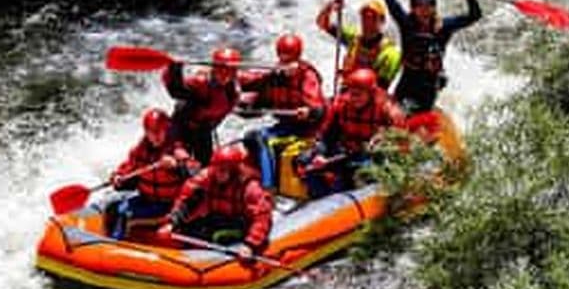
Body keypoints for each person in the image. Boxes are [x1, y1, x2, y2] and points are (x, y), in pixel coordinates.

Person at [384, 0, 482, 112]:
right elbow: (390, 0)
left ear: (434, 7)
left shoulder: (443, 26)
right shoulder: (406, 23)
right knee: (395, 114)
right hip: (408, 79)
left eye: (429, 5)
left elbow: (474, 16)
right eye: (419, 6)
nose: (424, 10)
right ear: (413, 8)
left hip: (429, 83)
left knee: (418, 114)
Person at [298, 67, 407, 197]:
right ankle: (320, 198)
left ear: (371, 93)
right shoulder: (342, 106)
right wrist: (320, 154)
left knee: (358, 172)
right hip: (347, 154)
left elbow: (400, 142)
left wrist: (384, 145)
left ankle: (343, 196)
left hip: (375, 158)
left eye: (359, 94)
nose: (354, 98)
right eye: (352, 93)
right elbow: (328, 136)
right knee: (307, 164)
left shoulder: (387, 110)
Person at [238, 32, 326, 189]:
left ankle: (268, 187)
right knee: (250, 138)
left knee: (261, 138)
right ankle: (257, 177)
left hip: (308, 130)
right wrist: (232, 76)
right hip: (286, 126)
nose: (285, 62)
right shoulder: (275, 75)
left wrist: (308, 111)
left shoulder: (307, 75)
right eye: (282, 57)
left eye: (289, 59)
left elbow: (318, 109)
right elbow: (251, 82)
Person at [159, 143, 273, 261]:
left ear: (233, 170)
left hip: (239, 224)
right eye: (217, 169)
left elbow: (262, 217)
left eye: (223, 170)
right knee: (186, 230)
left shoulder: (250, 188)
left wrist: (250, 245)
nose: (219, 173)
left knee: (214, 236)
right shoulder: (207, 176)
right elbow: (187, 200)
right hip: (215, 218)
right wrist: (172, 222)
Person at [104, 108, 199, 239]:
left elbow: (196, 172)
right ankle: (107, 241)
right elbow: (126, 172)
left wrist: (176, 166)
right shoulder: (138, 151)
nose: (155, 136)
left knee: (125, 214)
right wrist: (118, 178)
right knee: (112, 207)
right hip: (146, 199)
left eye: (159, 131)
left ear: (166, 130)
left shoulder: (176, 150)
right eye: (151, 132)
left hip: (168, 205)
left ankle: (117, 242)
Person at [163, 46, 241, 165]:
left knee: (206, 166)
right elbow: (176, 91)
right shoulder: (201, 81)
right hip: (183, 129)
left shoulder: (233, 90)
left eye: (230, 71)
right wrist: (175, 69)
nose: (225, 76)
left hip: (204, 131)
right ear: (214, 69)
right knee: (181, 165)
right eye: (221, 70)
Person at [315, 0, 401, 91]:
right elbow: (322, 23)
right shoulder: (354, 39)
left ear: (382, 21)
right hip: (347, 91)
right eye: (364, 17)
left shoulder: (390, 54)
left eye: (372, 18)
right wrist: (329, 8)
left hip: (368, 96)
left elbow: (381, 88)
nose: (367, 22)